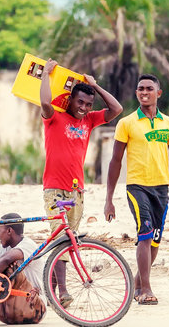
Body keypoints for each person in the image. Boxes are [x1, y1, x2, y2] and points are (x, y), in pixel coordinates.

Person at [104, 74, 169, 306]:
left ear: (158, 93)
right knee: (144, 235)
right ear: (136, 93)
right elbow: (115, 161)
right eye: (140, 89)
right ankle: (146, 289)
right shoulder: (126, 123)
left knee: (154, 242)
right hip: (137, 187)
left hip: (161, 189)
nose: (144, 92)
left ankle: (137, 283)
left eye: (149, 88)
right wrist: (109, 199)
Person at [38, 59, 122, 307]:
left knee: (68, 239)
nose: (84, 107)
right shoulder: (55, 117)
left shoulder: (89, 120)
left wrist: (95, 87)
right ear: (70, 101)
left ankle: (50, 292)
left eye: (88, 104)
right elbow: (44, 102)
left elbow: (116, 109)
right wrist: (45, 75)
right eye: (80, 102)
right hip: (55, 188)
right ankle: (62, 292)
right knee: (63, 239)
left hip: (77, 191)